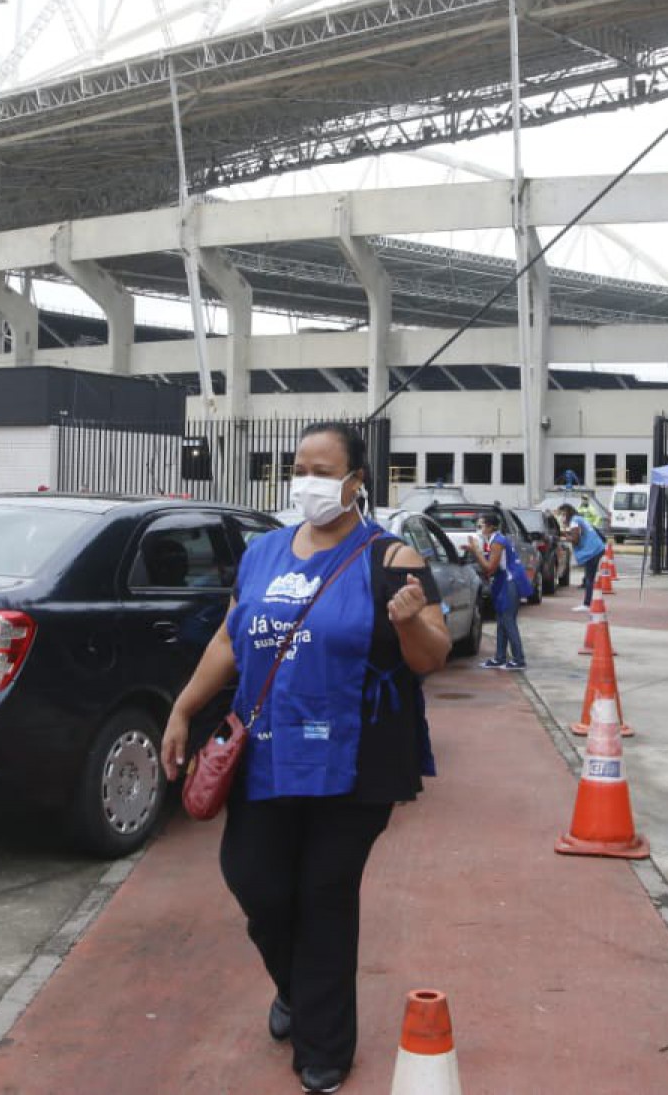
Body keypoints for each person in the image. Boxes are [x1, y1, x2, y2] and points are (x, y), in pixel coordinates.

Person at [160, 423, 451, 1094]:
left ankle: (325, 1044)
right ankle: (295, 987)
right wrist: (181, 707)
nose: (309, 481)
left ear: (356, 483)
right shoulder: (263, 553)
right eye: (300, 467)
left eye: (325, 469)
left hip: (353, 761)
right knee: (256, 882)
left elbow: (431, 655)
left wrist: (409, 620)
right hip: (264, 751)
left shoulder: (392, 557)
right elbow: (231, 642)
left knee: (325, 893)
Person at [475, 510, 527, 670]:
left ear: (490, 527)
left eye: (481, 525)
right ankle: (500, 657)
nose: (479, 528)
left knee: (508, 620)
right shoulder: (494, 540)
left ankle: (518, 659)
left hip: (510, 582)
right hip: (504, 581)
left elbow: (490, 567)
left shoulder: (497, 541)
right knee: (501, 621)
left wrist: (475, 551)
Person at [558, 503, 606, 611]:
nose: (561, 517)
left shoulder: (574, 521)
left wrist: (564, 538)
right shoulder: (579, 518)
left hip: (591, 551)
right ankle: (591, 601)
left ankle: (587, 604)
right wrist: (566, 533)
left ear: (567, 513)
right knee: (590, 577)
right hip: (597, 548)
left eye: (562, 514)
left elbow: (576, 539)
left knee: (589, 578)